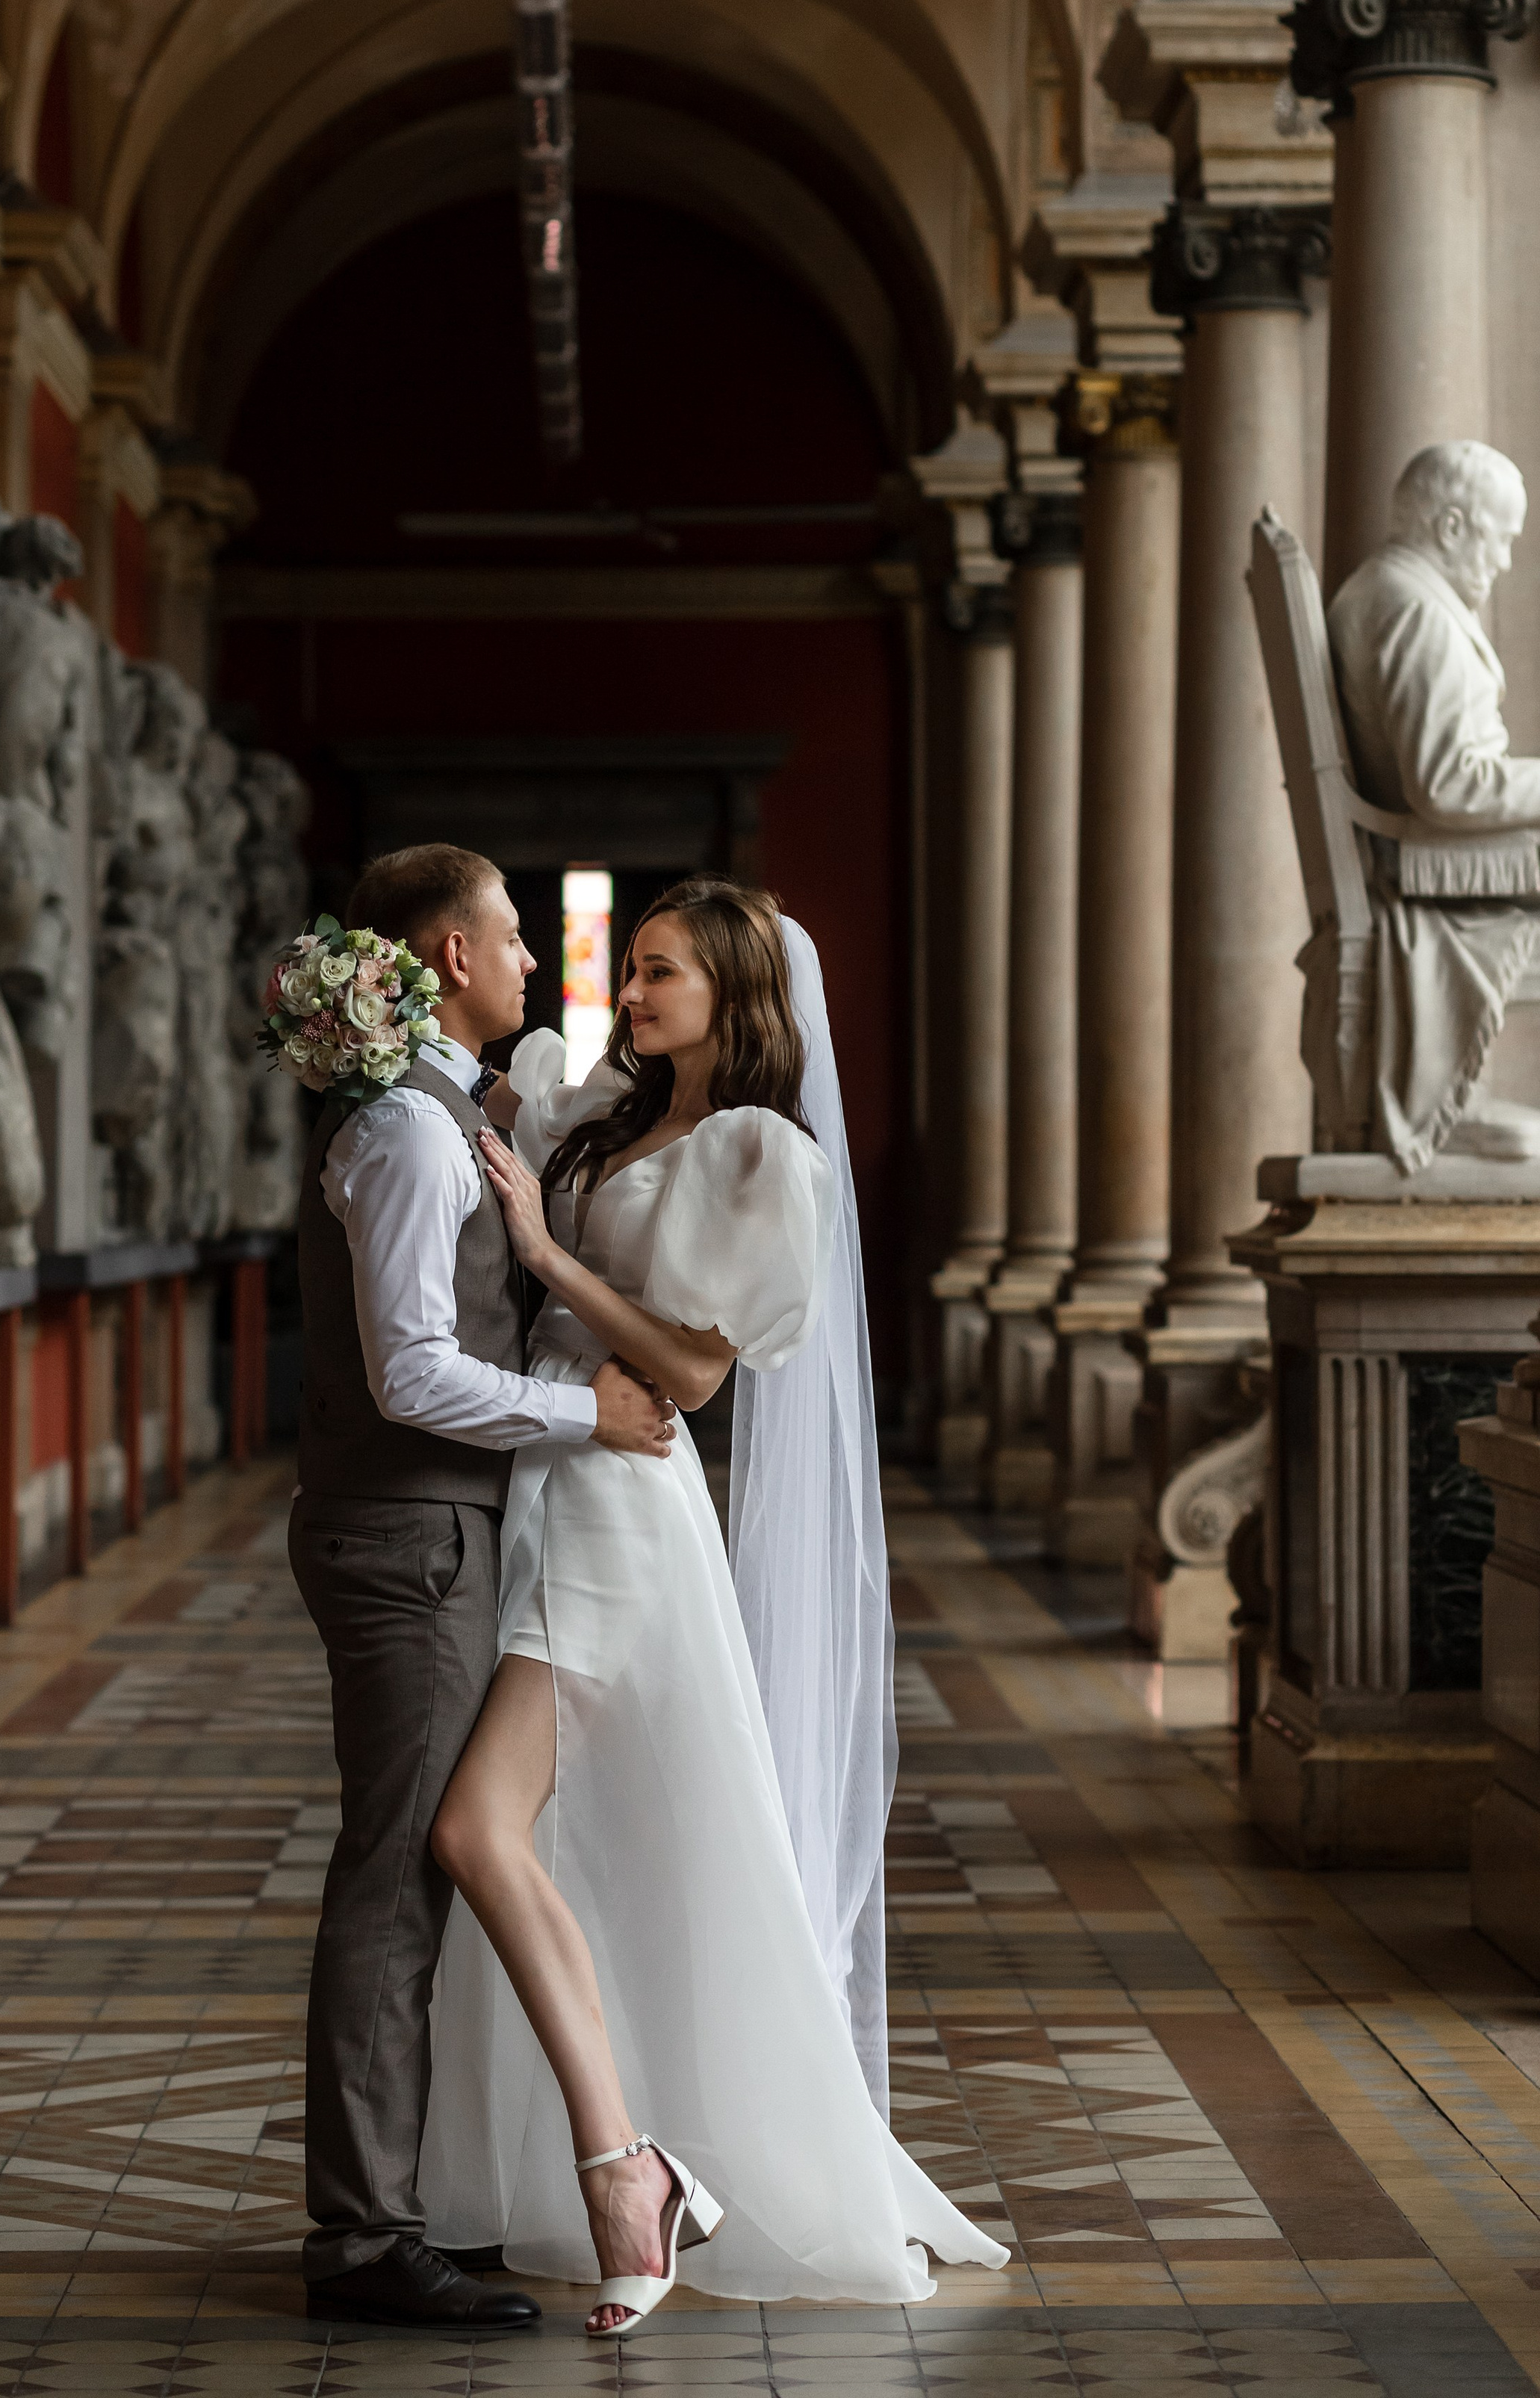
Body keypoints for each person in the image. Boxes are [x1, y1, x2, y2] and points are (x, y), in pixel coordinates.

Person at [419, 875, 1010, 2336]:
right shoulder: (614, 1116)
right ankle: (614, 2164)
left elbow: (689, 1376)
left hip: (620, 1502)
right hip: (550, 1470)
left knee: (476, 1827)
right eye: (631, 969)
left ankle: (632, 2170)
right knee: (563, 1837)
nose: (632, 992)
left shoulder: (757, 1158)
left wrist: (553, 1259)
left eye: (662, 973)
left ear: (734, 998)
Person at [290, 840, 677, 2332]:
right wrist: (594, 1416)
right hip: (404, 1537)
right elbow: (411, 1374)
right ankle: (360, 2241)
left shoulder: (448, 1112)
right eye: (510, 935)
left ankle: (398, 2204)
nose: (530, 961)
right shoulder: (400, 1129)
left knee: (416, 1870)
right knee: (393, 1878)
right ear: (446, 957)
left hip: (434, 1530)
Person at [1326, 440, 1540, 1165]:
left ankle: (1459, 1095)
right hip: (1431, 871)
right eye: (1501, 537)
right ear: (1451, 527)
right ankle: (1450, 1105)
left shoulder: (1389, 591)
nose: (1506, 561)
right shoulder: (1414, 612)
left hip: (1426, 858)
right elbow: (1448, 784)